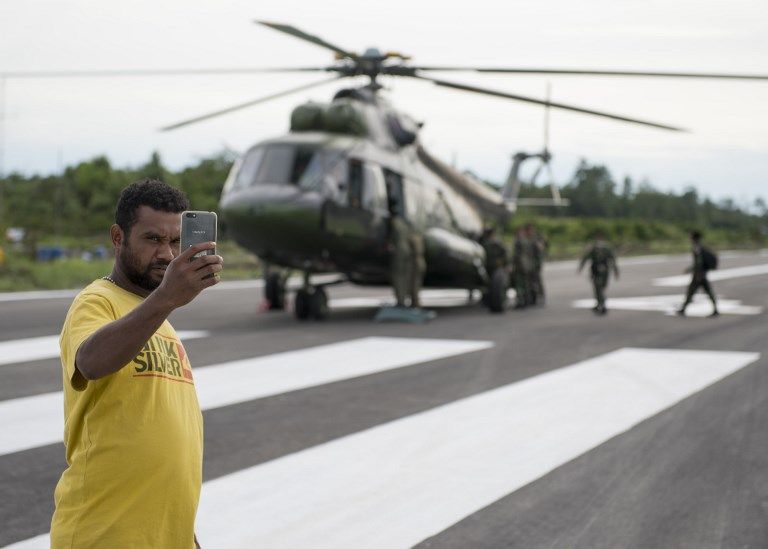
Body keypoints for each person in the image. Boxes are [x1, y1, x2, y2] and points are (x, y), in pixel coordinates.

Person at [50, 179, 223, 549]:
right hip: (105, 534)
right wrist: (165, 299)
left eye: (176, 241)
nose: (167, 253)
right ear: (118, 237)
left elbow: (169, 441)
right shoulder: (97, 301)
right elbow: (91, 361)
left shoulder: (161, 323)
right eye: (152, 239)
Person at [677, 230, 719, 317]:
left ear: (694, 238)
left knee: (691, 291)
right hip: (701, 274)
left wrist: (696, 272)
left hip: (698, 275)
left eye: (691, 237)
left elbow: (699, 262)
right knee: (707, 292)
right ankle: (715, 309)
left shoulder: (697, 248)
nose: (689, 238)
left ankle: (683, 309)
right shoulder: (700, 247)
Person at [578, 230, 619, 315]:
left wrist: (616, 271)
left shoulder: (607, 249)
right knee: (598, 288)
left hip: (604, 271)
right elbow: (585, 258)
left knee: (602, 288)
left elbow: (613, 260)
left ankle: (600, 303)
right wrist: (581, 267)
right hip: (595, 271)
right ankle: (601, 304)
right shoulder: (593, 249)